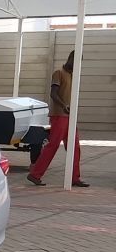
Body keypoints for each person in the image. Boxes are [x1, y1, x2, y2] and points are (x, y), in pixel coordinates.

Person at [27, 51, 89, 187]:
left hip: (70, 116)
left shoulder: (74, 76)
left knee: (75, 147)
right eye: (77, 61)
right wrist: (63, 105)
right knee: (53, 145)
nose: (78, 65)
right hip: (59, 115)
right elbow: (53, 94)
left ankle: (75, 178)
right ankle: (35, 174)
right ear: (71, 59)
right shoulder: (59, 73)